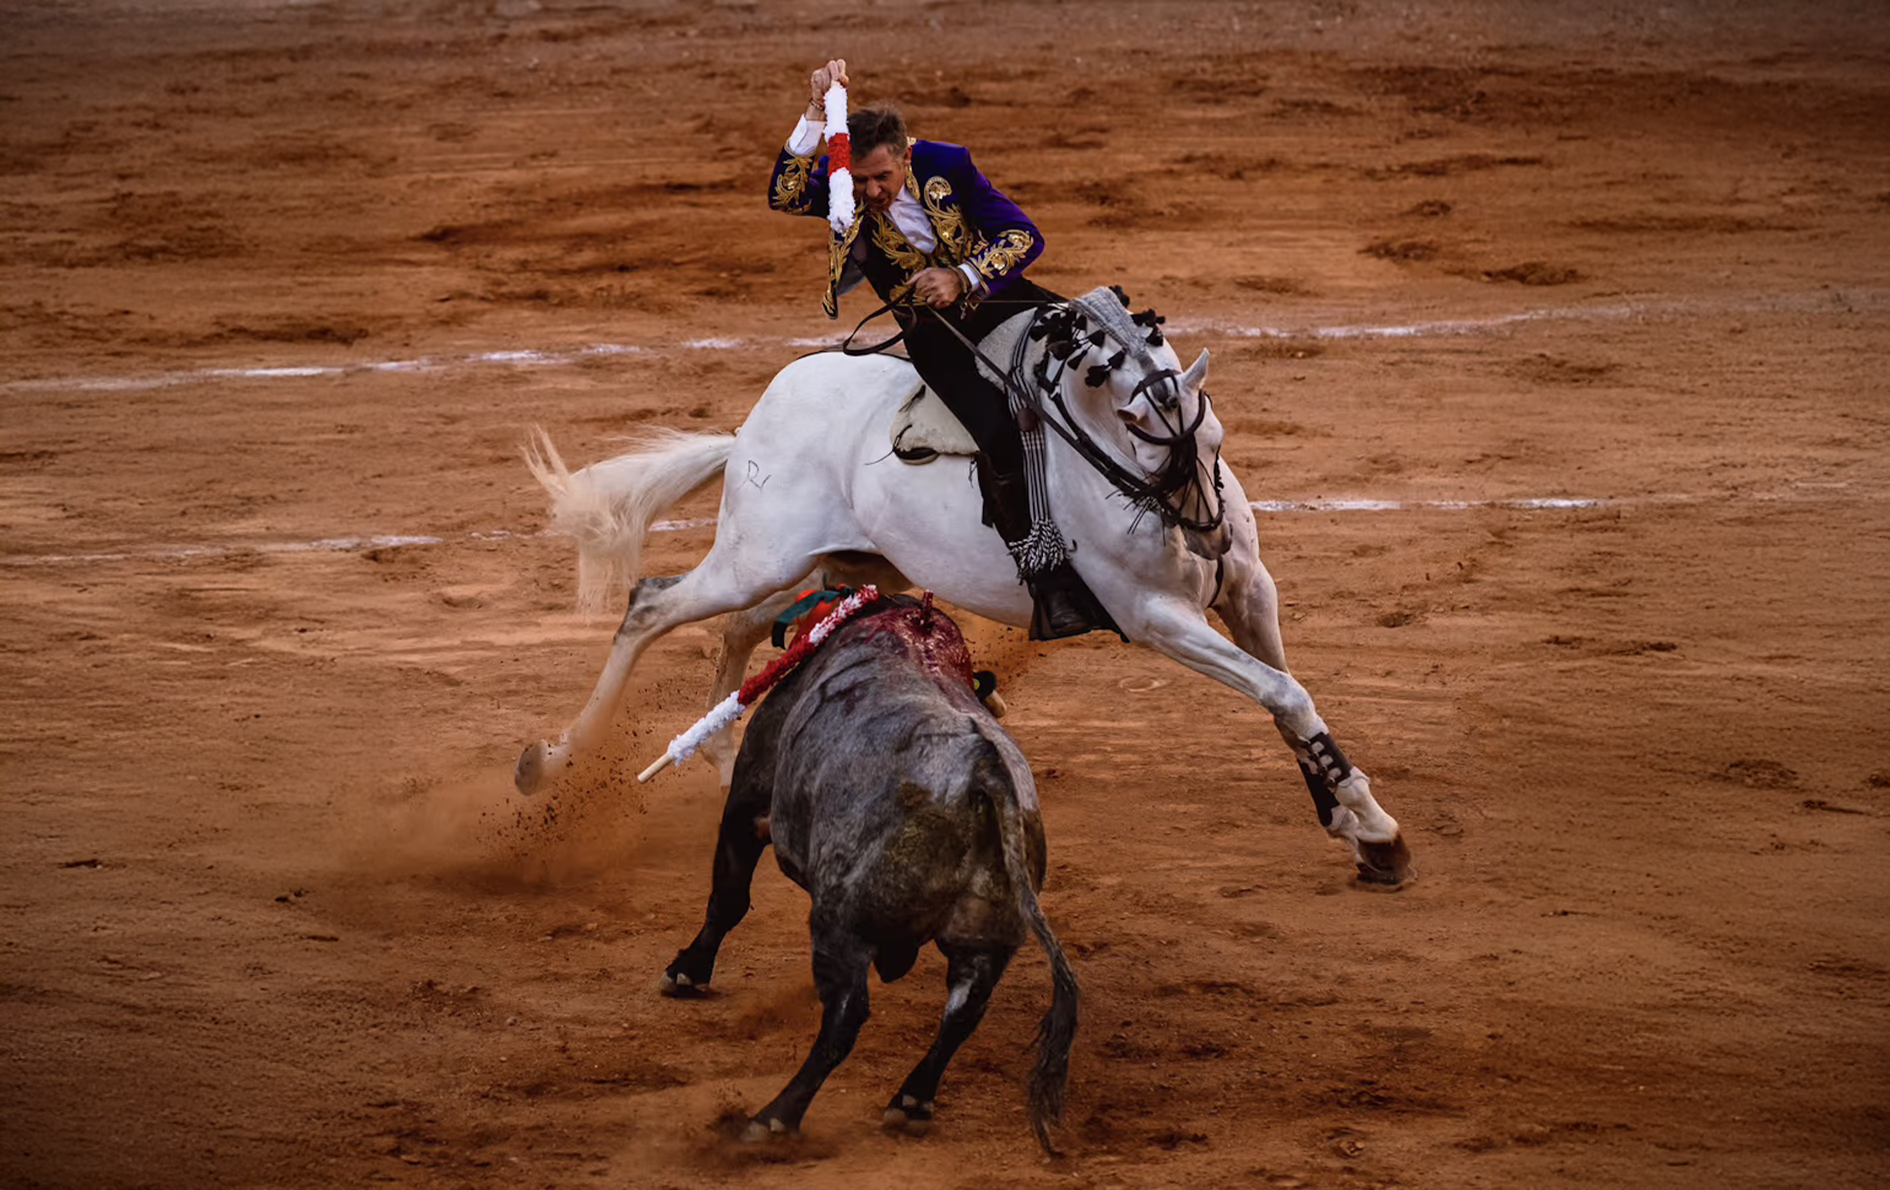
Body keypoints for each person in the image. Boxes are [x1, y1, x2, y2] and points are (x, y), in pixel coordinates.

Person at [767, 58, 1108, 641]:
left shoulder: (948, 164)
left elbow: (1022, 234)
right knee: (998, 431)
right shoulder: (844, 183)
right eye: (862, 181)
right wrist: (816, 114)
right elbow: (785, 193)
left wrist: (964, 275)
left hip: (1001, 300)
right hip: (933, 334)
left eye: (883, 177)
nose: (872, 192)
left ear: (906, 156)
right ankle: (1047, 577)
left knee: (1100, 360)